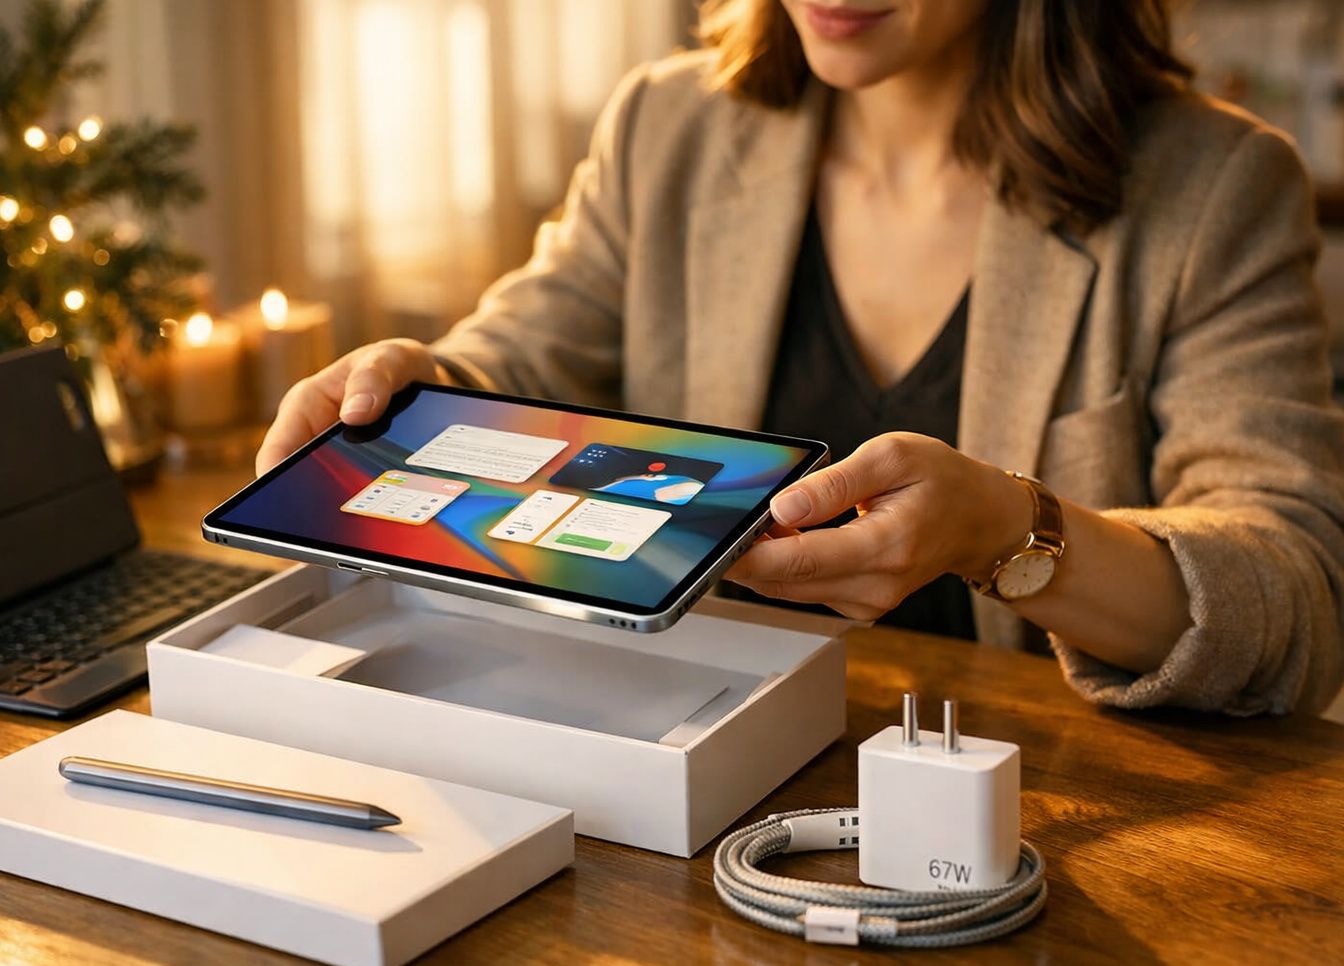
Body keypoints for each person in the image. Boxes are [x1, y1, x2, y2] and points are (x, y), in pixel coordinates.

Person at [258, 0, 1344, 716]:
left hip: (1029, 829)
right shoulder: (668, 125)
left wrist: (1014, 533)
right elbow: (525, 345)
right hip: (686, 766)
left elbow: (1297, 600)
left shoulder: (1213, 186)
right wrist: (420, 387)